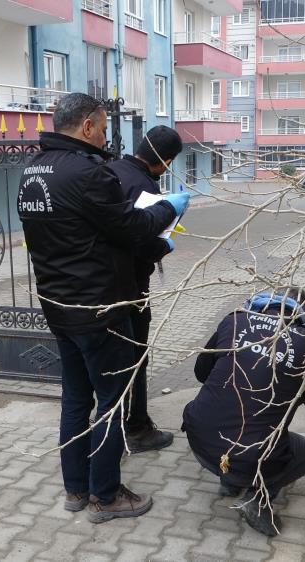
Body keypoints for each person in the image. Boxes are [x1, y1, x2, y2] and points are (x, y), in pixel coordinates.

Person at [17, 93, 191, 523]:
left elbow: (86, 233)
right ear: (89, 126)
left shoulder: (32, 173)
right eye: (103, 126)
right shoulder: (87, 173)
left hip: (58, 305)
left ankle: (75, 489)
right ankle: (106, 495)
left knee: (76, 399)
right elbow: (132, 227)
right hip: (101, 309)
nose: (106, 136)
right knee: (111, 404)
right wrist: (170, 208)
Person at [182, 287, 305, 536]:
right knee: (304, 454)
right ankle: (257, 500)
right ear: (303, 315)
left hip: (198, 437)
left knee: (232, 417)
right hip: (249, 454)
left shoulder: (234, 320)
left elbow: (201, 373)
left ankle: (230, 481)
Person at [106, 125, 184, 454]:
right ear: (165, 161)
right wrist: (165, 245)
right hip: (132, 287)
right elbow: (140, 241)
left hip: (99, 287)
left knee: (110, 361)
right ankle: (136, 427)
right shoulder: (144, 186)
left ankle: (113, 424)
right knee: (136, 358)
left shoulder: (109, 171)